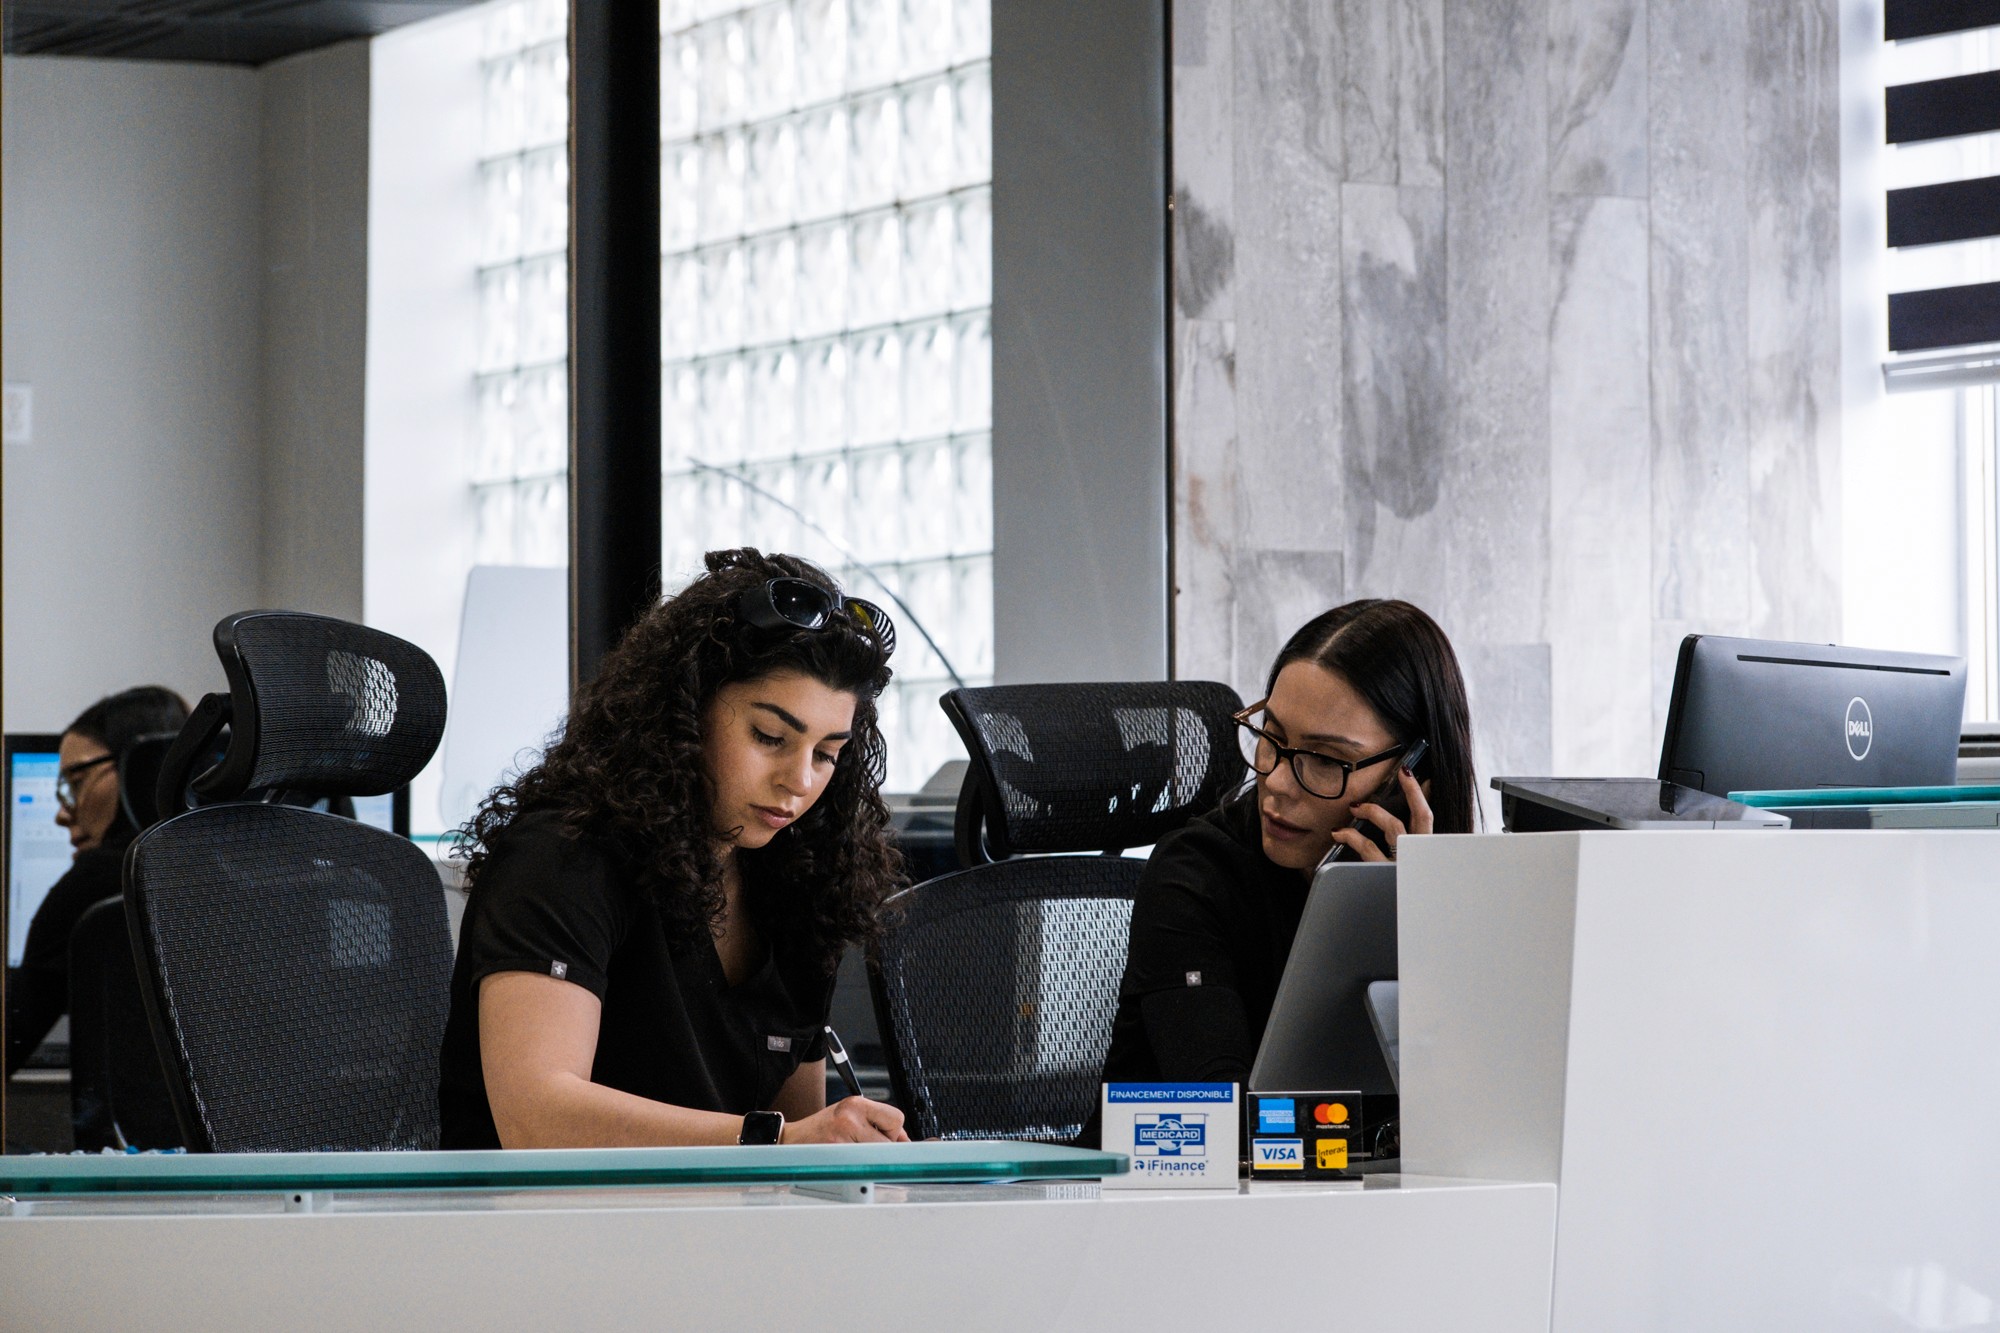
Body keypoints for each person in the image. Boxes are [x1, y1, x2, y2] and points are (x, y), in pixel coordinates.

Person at [439, 549, 911, 1149]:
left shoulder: (803, 882)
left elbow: (801, 1148)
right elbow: (537, 1119)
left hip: (711, 1234)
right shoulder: (562, 856)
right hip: (537, 1233)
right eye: (770, 737)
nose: (800, 781)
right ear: (685, 710)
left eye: (826, 754)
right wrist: (777, 1142)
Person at [1096, 598, 1475, 1093]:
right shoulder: (1193, 876)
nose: (1276, 782)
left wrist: (1413, 924)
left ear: (1411, 777)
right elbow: (1228, 1116)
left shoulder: (1461, 895)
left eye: (1324, 759)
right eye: (1270, 737)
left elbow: (1476, 1096)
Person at [5, 685, 191, 1076]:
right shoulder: (240, 863)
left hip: (135, 1140)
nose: (61, 813)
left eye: (75, 782)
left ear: (136, 766)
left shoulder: (96, 882)